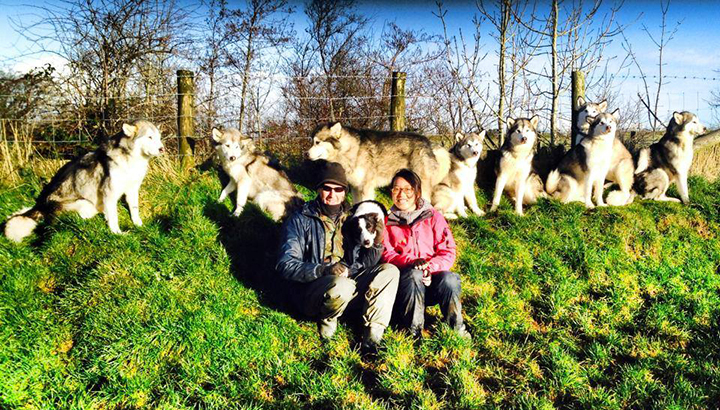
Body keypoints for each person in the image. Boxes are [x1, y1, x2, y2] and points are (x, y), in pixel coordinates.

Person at [275, 162, 400, 352]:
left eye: (338, 189)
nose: (332, 194)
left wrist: (377, 243)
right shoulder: (299, 219)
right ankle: (328, 322)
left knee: (389, 271)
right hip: (313, 288)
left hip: (348, 280)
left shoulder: (354, 220)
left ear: (345, 192)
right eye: (327, 188)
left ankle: (373, 337)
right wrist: (323, 269)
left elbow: (366, 263)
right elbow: (286, 264)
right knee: (342, 285)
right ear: (318, 189)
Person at [382, 168, 470, 338]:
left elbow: (448, 250)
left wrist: (430, 267)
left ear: (417, 192)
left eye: (408, 189)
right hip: (406, 284)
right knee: (414, 274)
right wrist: (412, 262)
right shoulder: (386, 221)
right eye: (396, 189)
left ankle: (457, 328)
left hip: (432, 279)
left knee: (450, 279)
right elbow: (387, 254)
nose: (401, 194)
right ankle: (413, 332)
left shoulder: (433, 217)